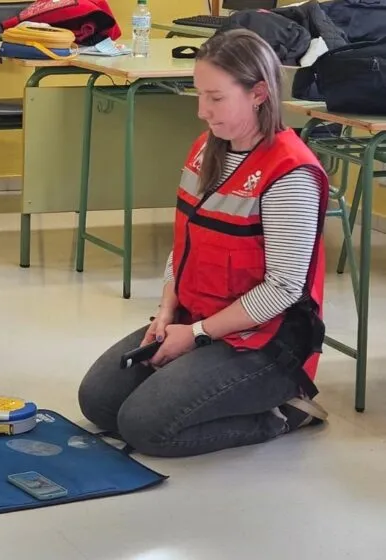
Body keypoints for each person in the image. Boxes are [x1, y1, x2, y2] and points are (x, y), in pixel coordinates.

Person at [77, 29, 330, 458]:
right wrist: (167, 312)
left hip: (266, 342)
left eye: (215, 98)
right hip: (198, 317)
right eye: (199, 95)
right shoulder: (205, 150)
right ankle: (195, 368)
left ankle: (285, 412)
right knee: (99, 401)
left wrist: (194, 336)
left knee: (145, 426)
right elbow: (186, 241)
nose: (201, 111)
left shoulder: (291, 173)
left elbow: (284, 288)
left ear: (258, 93)